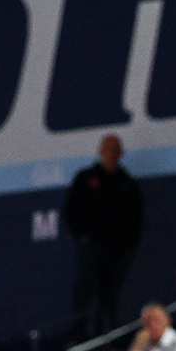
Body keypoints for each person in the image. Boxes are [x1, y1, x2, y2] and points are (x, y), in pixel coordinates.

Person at [64, 134, 144, 335]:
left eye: (115, 149)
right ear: (101, 151)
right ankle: (77, 336)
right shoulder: (86, 179)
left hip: (117, 251)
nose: (111, 154)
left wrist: (128, 245)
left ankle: (105, 336)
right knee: (83, 291)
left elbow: (137, 217)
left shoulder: (127, 183)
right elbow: (70, 211)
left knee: (110, 294)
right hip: (91, 247)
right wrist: (82, 236)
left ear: (121, 153)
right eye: (108, 149)